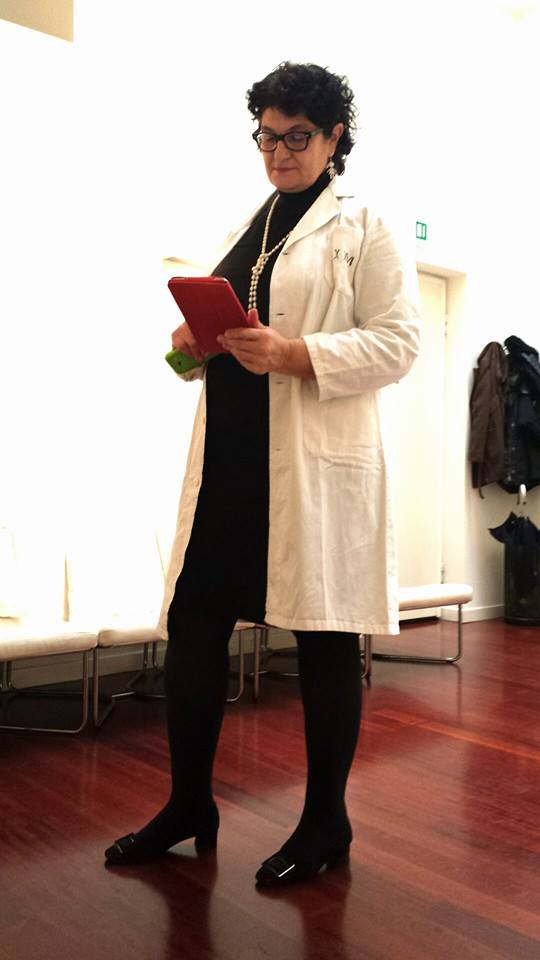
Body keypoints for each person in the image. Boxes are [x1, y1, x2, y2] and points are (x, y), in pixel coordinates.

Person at [105, 61, 420, 885]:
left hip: (313, 467)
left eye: (297, 137)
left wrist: (293, 354)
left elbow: (399, 343)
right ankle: (188, 804)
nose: (279, 152)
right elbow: (213, 345)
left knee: (324, 636)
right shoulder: (248, 223)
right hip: (231, 463)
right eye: (267, 137)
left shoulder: (364, 226)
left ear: (335, 138)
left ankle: (326, 822)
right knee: (194, 623)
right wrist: (187, 349)